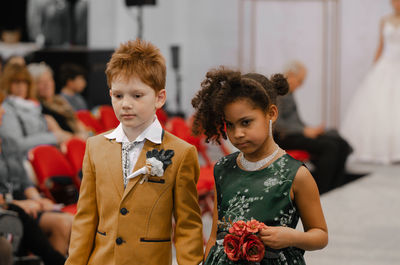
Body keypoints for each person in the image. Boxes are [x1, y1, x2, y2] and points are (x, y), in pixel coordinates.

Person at [65, 39, 204, 265]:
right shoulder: (95, 147)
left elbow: (188, 224)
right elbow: (86, 217)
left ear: (159, 98)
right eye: (118, 96)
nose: (125, 104)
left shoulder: (181, 153)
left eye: (137, 96)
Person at [192, 68, 328, 264]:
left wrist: (292, 237)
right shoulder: (223, 168)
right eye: (230, 125)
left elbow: (320, 234)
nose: (237, 133)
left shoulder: (296, 174)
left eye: (246, 122)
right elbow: (215, 235)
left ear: (271, 114)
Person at [0, 90, 68, 264]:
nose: (3, 112)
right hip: (10, 208)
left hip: (21, 204)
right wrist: (19, 203)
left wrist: (38, 199)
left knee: (66, 223)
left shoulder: (8, 142)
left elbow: (24, 181)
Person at [274, 61, 352, 193]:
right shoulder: (279, 93)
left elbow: (295, 121)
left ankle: (336, 185)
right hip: (285, 137)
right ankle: (321, 189)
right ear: (291, 75)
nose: (301, 85)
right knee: (330, 146)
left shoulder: (289, 92)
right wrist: (304, 130)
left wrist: (311, 129)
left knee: (339, 142)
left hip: (296, 133)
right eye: (300, 81)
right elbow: (277, 123)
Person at [341, 0, 400, 164]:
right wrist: (374, 68)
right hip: (385, 65)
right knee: (379, 107)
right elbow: (380, 46)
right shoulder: (385, 20)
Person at [27, 62, 89, 140]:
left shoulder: (59, 100)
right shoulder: (37, 108)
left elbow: (77, 122)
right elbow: (58, 135)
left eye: (49, 79)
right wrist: (78, 138)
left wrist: (84, 135)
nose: (47, 84)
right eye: (41, 82)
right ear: (33, 86)